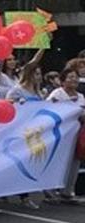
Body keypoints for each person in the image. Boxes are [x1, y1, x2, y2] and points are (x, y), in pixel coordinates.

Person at [47, 68, 85, 203]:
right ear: (63, 81)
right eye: (70, 77)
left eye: (75, 77)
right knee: (56, 161)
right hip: (60, 134)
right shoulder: (57, 94)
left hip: (76, 134)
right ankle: (50, 191)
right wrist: (68, 105)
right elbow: (49, 110)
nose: (74, 80)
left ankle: (67, 192)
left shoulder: (81, 97)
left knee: (74, 162)